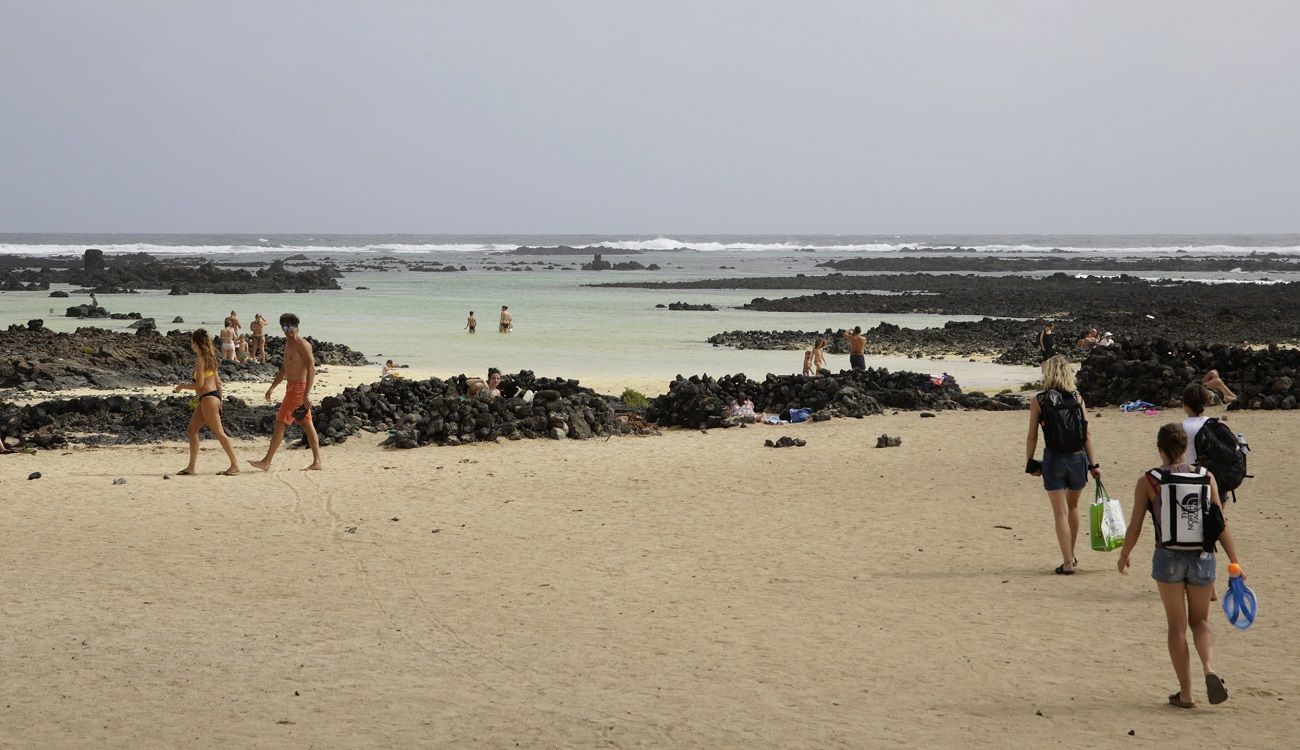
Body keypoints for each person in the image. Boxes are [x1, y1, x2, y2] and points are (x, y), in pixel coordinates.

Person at [1117, 423, 1241, 709]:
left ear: (1160, 449)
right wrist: (1235, 561)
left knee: (1177, 626)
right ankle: (1209, 668)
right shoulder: (1206, 476)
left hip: (1168, 556)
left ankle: (1186, 694)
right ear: (1185, 448)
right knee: (1201, 622)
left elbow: (1135, 526)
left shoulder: (1149, 480)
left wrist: (1125, 554)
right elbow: (1221, 525)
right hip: (1203, 557)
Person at [1025, 355, 1101, 574]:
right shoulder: (1077, 398)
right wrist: (1094, 464)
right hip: (1078, 458)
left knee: (1060, 512)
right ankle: (1072, 554)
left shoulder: (1038, 400)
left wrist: (1030, 462)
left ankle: (1067, 562)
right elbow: (1087, 434)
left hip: (1054, 458)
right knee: (1074, 507)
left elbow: (1032, 436)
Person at [249, 313, 323, 471]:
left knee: (280, 423)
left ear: (297, 327)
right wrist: (272, 387)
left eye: (291, 327)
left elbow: (311, 368)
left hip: (299, 389)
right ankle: (317, 462)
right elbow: (284, 369)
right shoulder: (288, 345)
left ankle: (266, 462)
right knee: (307, 424)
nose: (288, 330)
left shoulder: (303, 345)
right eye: (285, 327)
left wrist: (306, 394)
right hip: (291, 388)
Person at [172, 328, 241, 476]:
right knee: (192, 430)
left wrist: (182, 387)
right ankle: (191, 467)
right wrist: (220, 401)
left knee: (219, 432)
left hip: (208, 398)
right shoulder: (210, 357)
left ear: (195, 343)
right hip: (211, 397)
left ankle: (235, 464)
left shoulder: (201, 359)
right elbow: (219, 383)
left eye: (192, 341)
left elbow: (200, 385)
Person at [1181, 383, 1215, 464]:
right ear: (1205, 403)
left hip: (1194, 470)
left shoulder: (1181, 427)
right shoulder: (1214, 423)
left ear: (1185, 404)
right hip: (1215, 470)